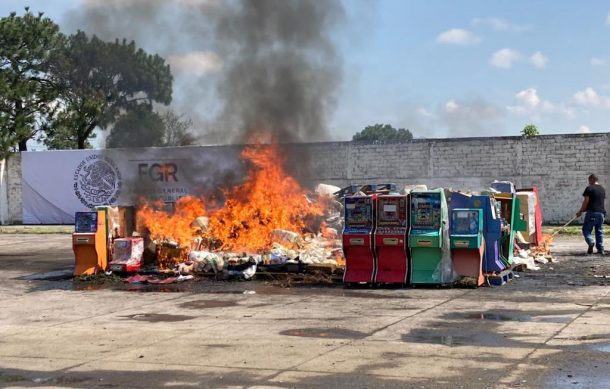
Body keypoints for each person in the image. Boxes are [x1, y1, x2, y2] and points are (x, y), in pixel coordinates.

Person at [576, 174, 606, 254]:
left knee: (586, 229)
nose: (588, 182)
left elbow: (586, 201)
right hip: (601, 214)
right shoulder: (602, 189)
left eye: (589, 180)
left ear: (592, 179)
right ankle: (600, 249)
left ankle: (590, 241)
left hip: (592, 213)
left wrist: (580, 211)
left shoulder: (589, 188)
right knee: (599, 231)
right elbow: (597, 202)